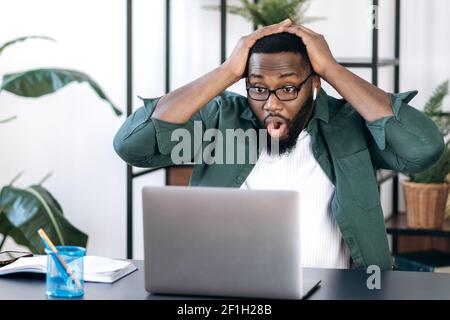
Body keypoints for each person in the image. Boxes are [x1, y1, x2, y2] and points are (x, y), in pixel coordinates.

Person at [114, 19, 444, 270]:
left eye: (287, 89)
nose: (271, 104)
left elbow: (422, 149)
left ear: (313, 83)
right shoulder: (221, 120)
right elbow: (132, 145)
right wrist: (228, 71)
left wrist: (330, 68)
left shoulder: (350, 124)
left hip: (342, 292)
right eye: (258, 88)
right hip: (230, 297)